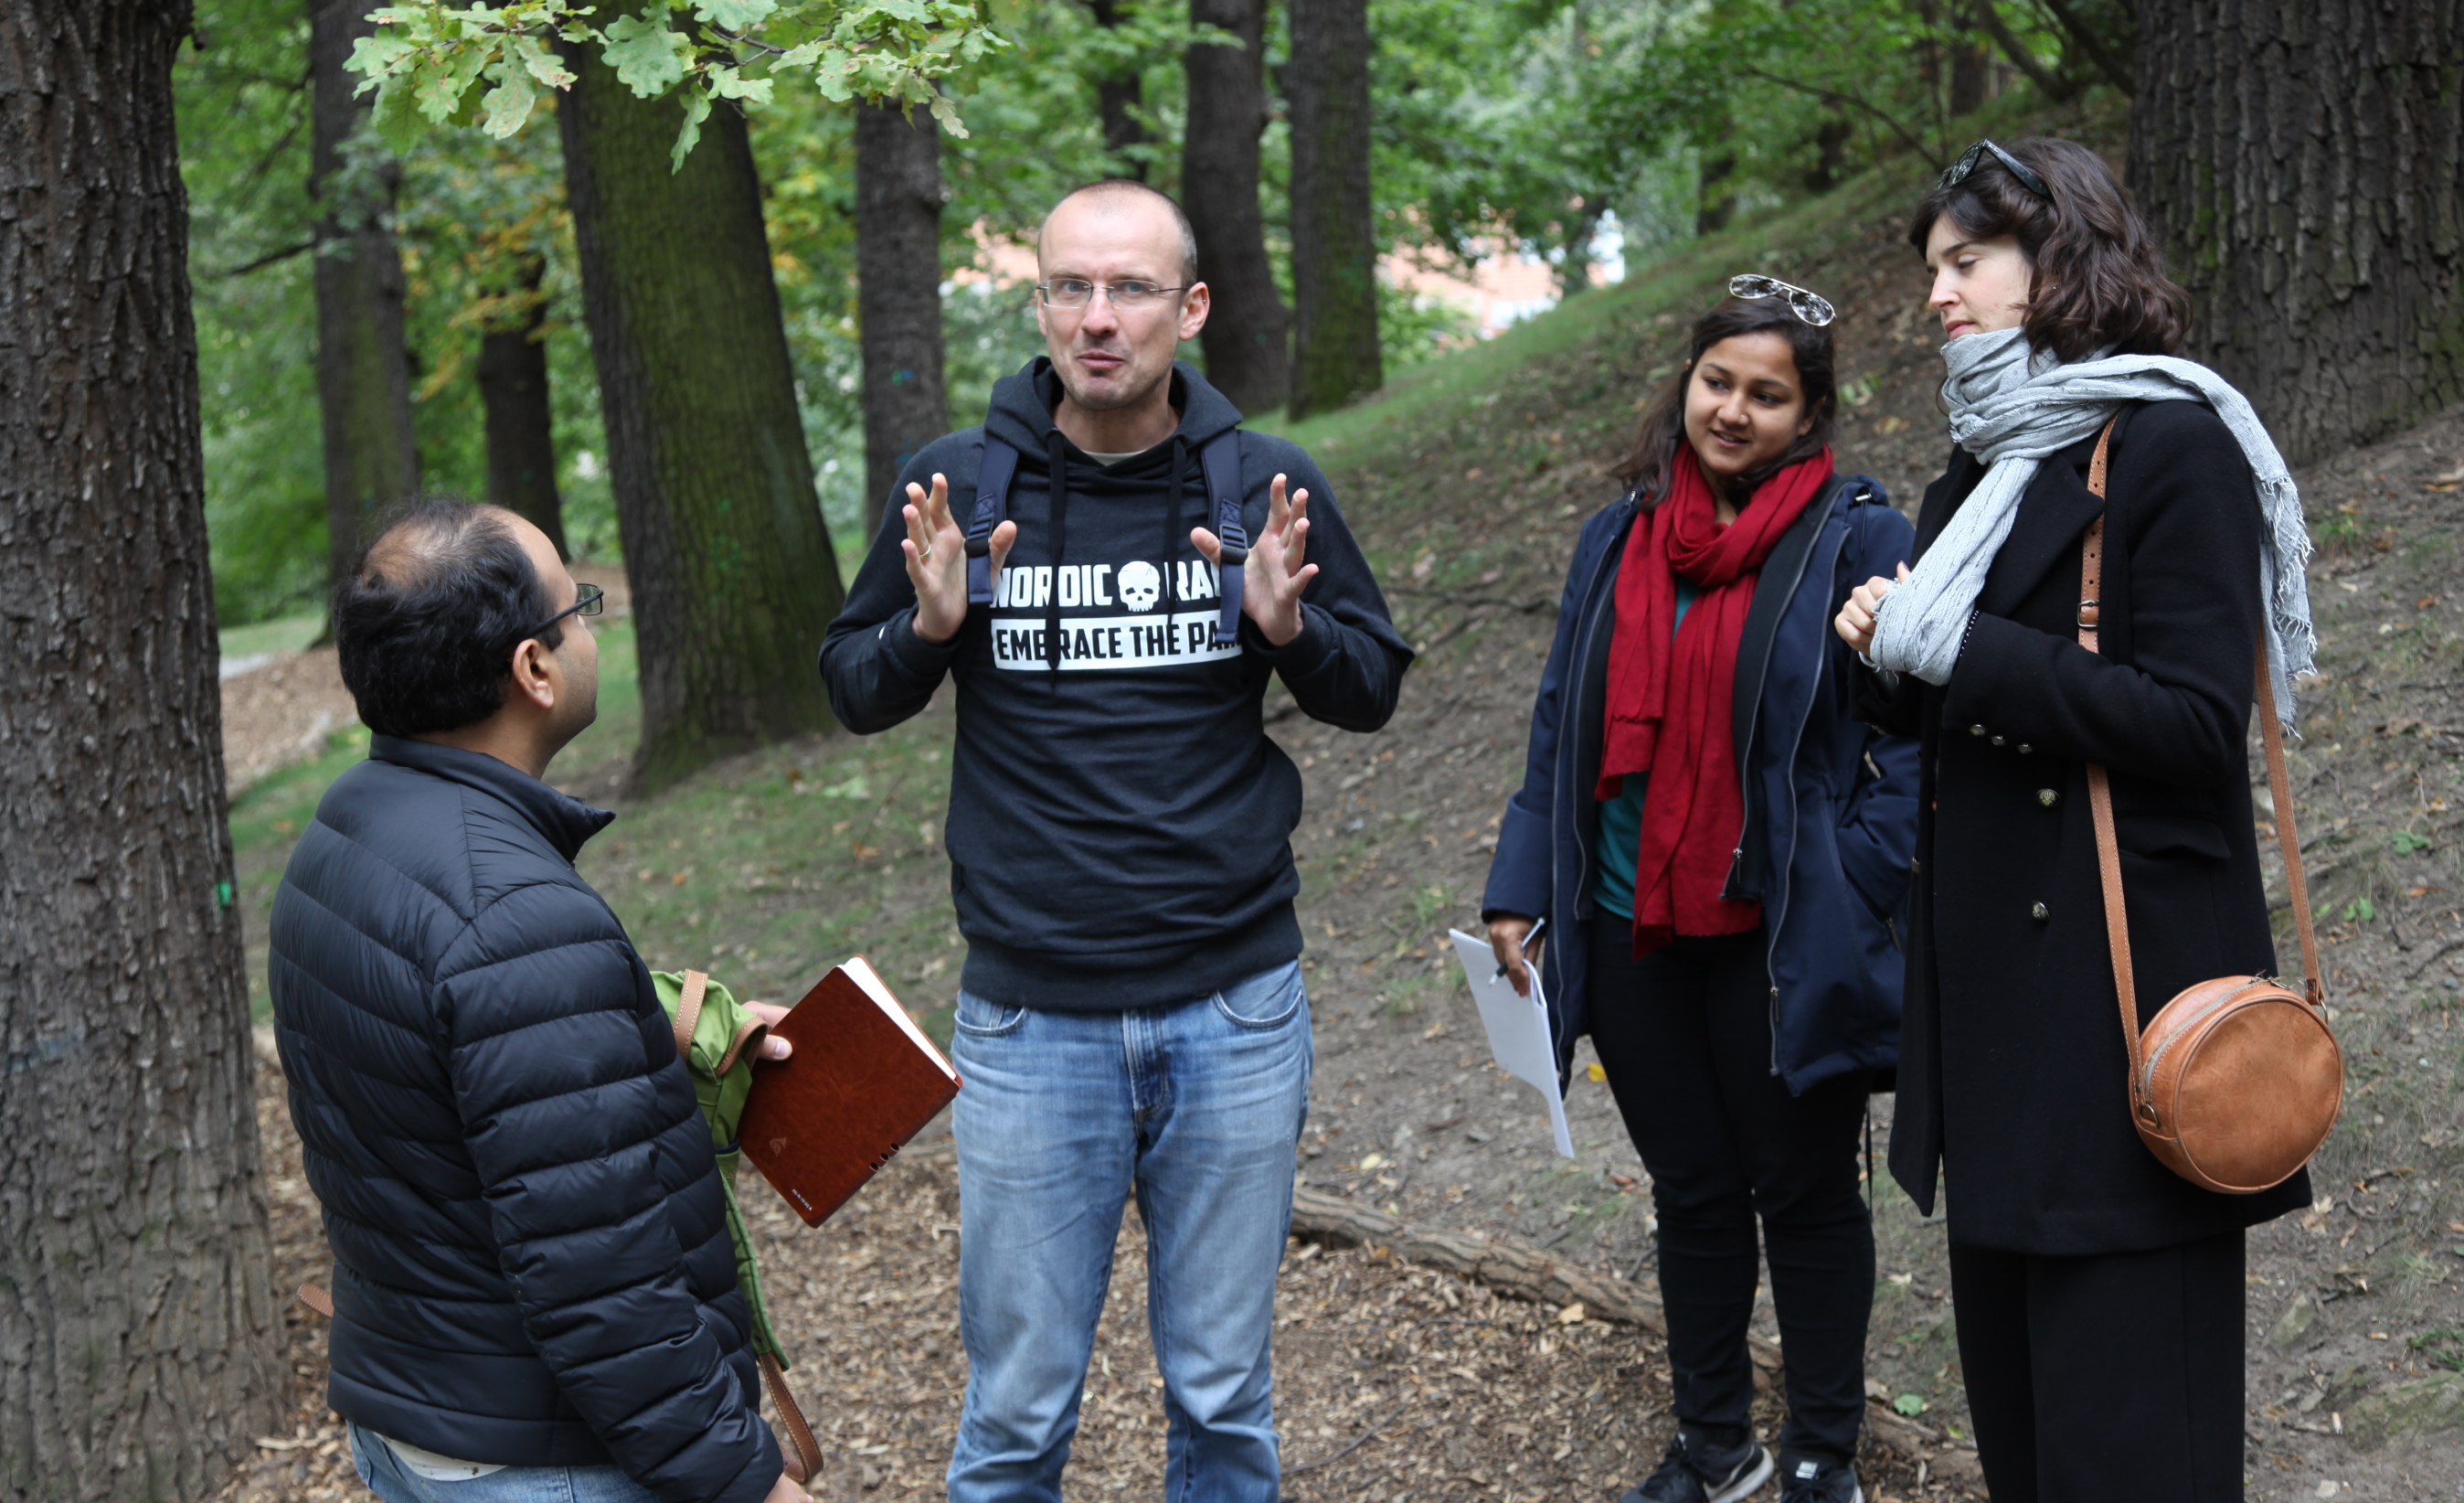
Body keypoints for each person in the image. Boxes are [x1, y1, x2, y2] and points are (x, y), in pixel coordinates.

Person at [819, 179, 1411, 1502]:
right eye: (1072, 289)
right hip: (1034, 1028)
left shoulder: (1264, 486)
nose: (1100, 320)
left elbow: (1369, 689)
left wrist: (1287, 630)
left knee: (1221, 1400)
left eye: (1132, 289)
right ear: (1038, 305)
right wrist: (926, 628)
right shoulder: (958, 485)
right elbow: (851, 691)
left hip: (1235, 1012)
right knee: (1018, 1415)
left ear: (1188, 309)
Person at [1833, 136, 2319, 1503]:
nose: (1940, 294)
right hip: (1992, 1046)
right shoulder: (1979, 466)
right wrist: (1884, 654)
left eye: (1967, 261)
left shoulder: (2177, 446)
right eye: (1933, 266)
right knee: (2035, 1466)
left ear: (2062, 259)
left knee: (2135, 1464)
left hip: (2122, 1043)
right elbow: (1951, 716)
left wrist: (1960, 649)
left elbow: (2187, 723)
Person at [268, 500, 808, 1503]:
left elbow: (450, 1095)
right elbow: (603, 1282)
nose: (593, 626)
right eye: (581, 606)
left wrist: (643, 1036)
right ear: (534, 668)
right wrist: (746, 1478)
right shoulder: (517, 917)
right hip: (541, 1458)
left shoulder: (343, 829)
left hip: (417, 1418)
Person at [1482, 282, 1918, 1503]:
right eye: (1718, 381)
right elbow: (1562, 723)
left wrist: (1855, 874)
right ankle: (1713, 1446)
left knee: (1804, 1191)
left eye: (1767, 393)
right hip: (1628, 926)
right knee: (1693, 1192)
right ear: (1687, 383)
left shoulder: (1858, 538)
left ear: (1809, 411)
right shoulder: (1616, 538)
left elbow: (1917, 744)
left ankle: (1823, 1453)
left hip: (1778, 932)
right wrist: (1523, 885)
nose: (1733, 410)